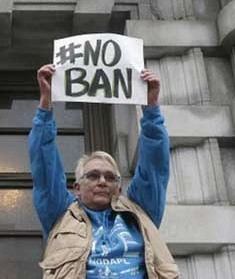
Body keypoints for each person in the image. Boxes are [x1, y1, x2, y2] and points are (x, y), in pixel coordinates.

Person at [28, 64, 179, 279]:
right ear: (77, 187)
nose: (102, 181)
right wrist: (46, 102)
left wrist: (151, 107)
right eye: (93, 175)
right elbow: (44, 163)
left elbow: (155, 164)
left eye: (110, 177)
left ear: (119, 188)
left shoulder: (140, 210)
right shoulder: (60, 213)